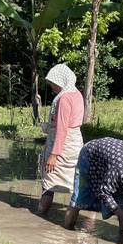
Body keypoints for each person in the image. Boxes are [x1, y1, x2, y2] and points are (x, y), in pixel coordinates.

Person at [38, 64, 84, 214]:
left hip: (63, 145)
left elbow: (62, 128)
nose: (52, 87)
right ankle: (87, 218)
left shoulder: (64, 98)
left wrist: (53, 155)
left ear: (62, 81)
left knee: (48, 183)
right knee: (76, 182)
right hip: (75, 143)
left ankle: (40, 215)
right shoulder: (76, 93)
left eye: (54, 84)